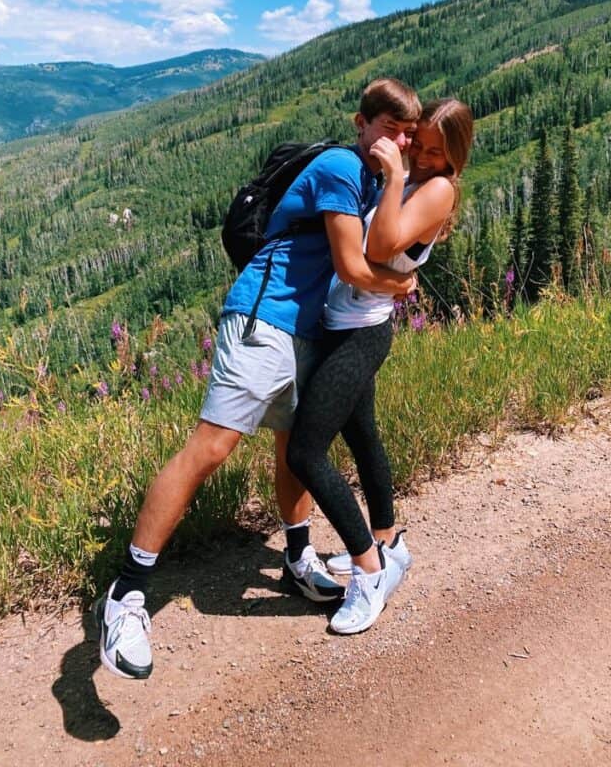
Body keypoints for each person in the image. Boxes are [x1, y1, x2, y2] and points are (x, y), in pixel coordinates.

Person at [94, 78, 422, 679]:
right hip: (262, 318)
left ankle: (297, 558)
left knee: (291, 449)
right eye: (389, 128)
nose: (399, 140)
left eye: (408, 132)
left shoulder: (375, 177)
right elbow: (353, 264)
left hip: (306, 328)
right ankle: (127, 593)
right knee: (210, 448)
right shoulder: (340, 168)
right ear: (362, 123)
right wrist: (400, 286)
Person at [287, 98, 474, 634]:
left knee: (305, 451)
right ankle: (389, 543)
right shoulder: (414, 177)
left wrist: (394, 176)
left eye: (440, 153)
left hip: (362, 332)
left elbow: (382, 242)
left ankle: (370, 575)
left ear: (455, 157)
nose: (425, 159)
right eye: (421, 145)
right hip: (343, 323)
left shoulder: (436, 188)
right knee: (363, 435)